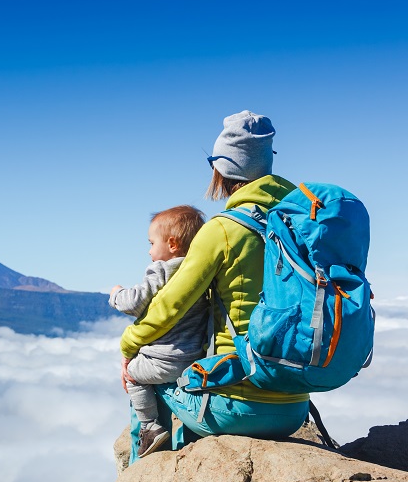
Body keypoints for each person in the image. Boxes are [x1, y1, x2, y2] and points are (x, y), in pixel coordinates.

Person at [119, 110, 310, 450]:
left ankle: (142, 474)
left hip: (238, 405)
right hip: (295, 406)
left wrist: (128, 347)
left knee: (140, 372)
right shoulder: (297, 225)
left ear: (222, 167)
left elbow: (169, 306)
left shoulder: (221, 230)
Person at [109, 205, 209, 458]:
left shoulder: (163, 269)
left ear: (173, 244)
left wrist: (116, 294)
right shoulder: (201, 272)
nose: (149, 250)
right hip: (195, 361)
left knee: (132, 375)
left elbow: (134, 302)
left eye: (152, 243)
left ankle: (150, 427)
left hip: (165, 361)